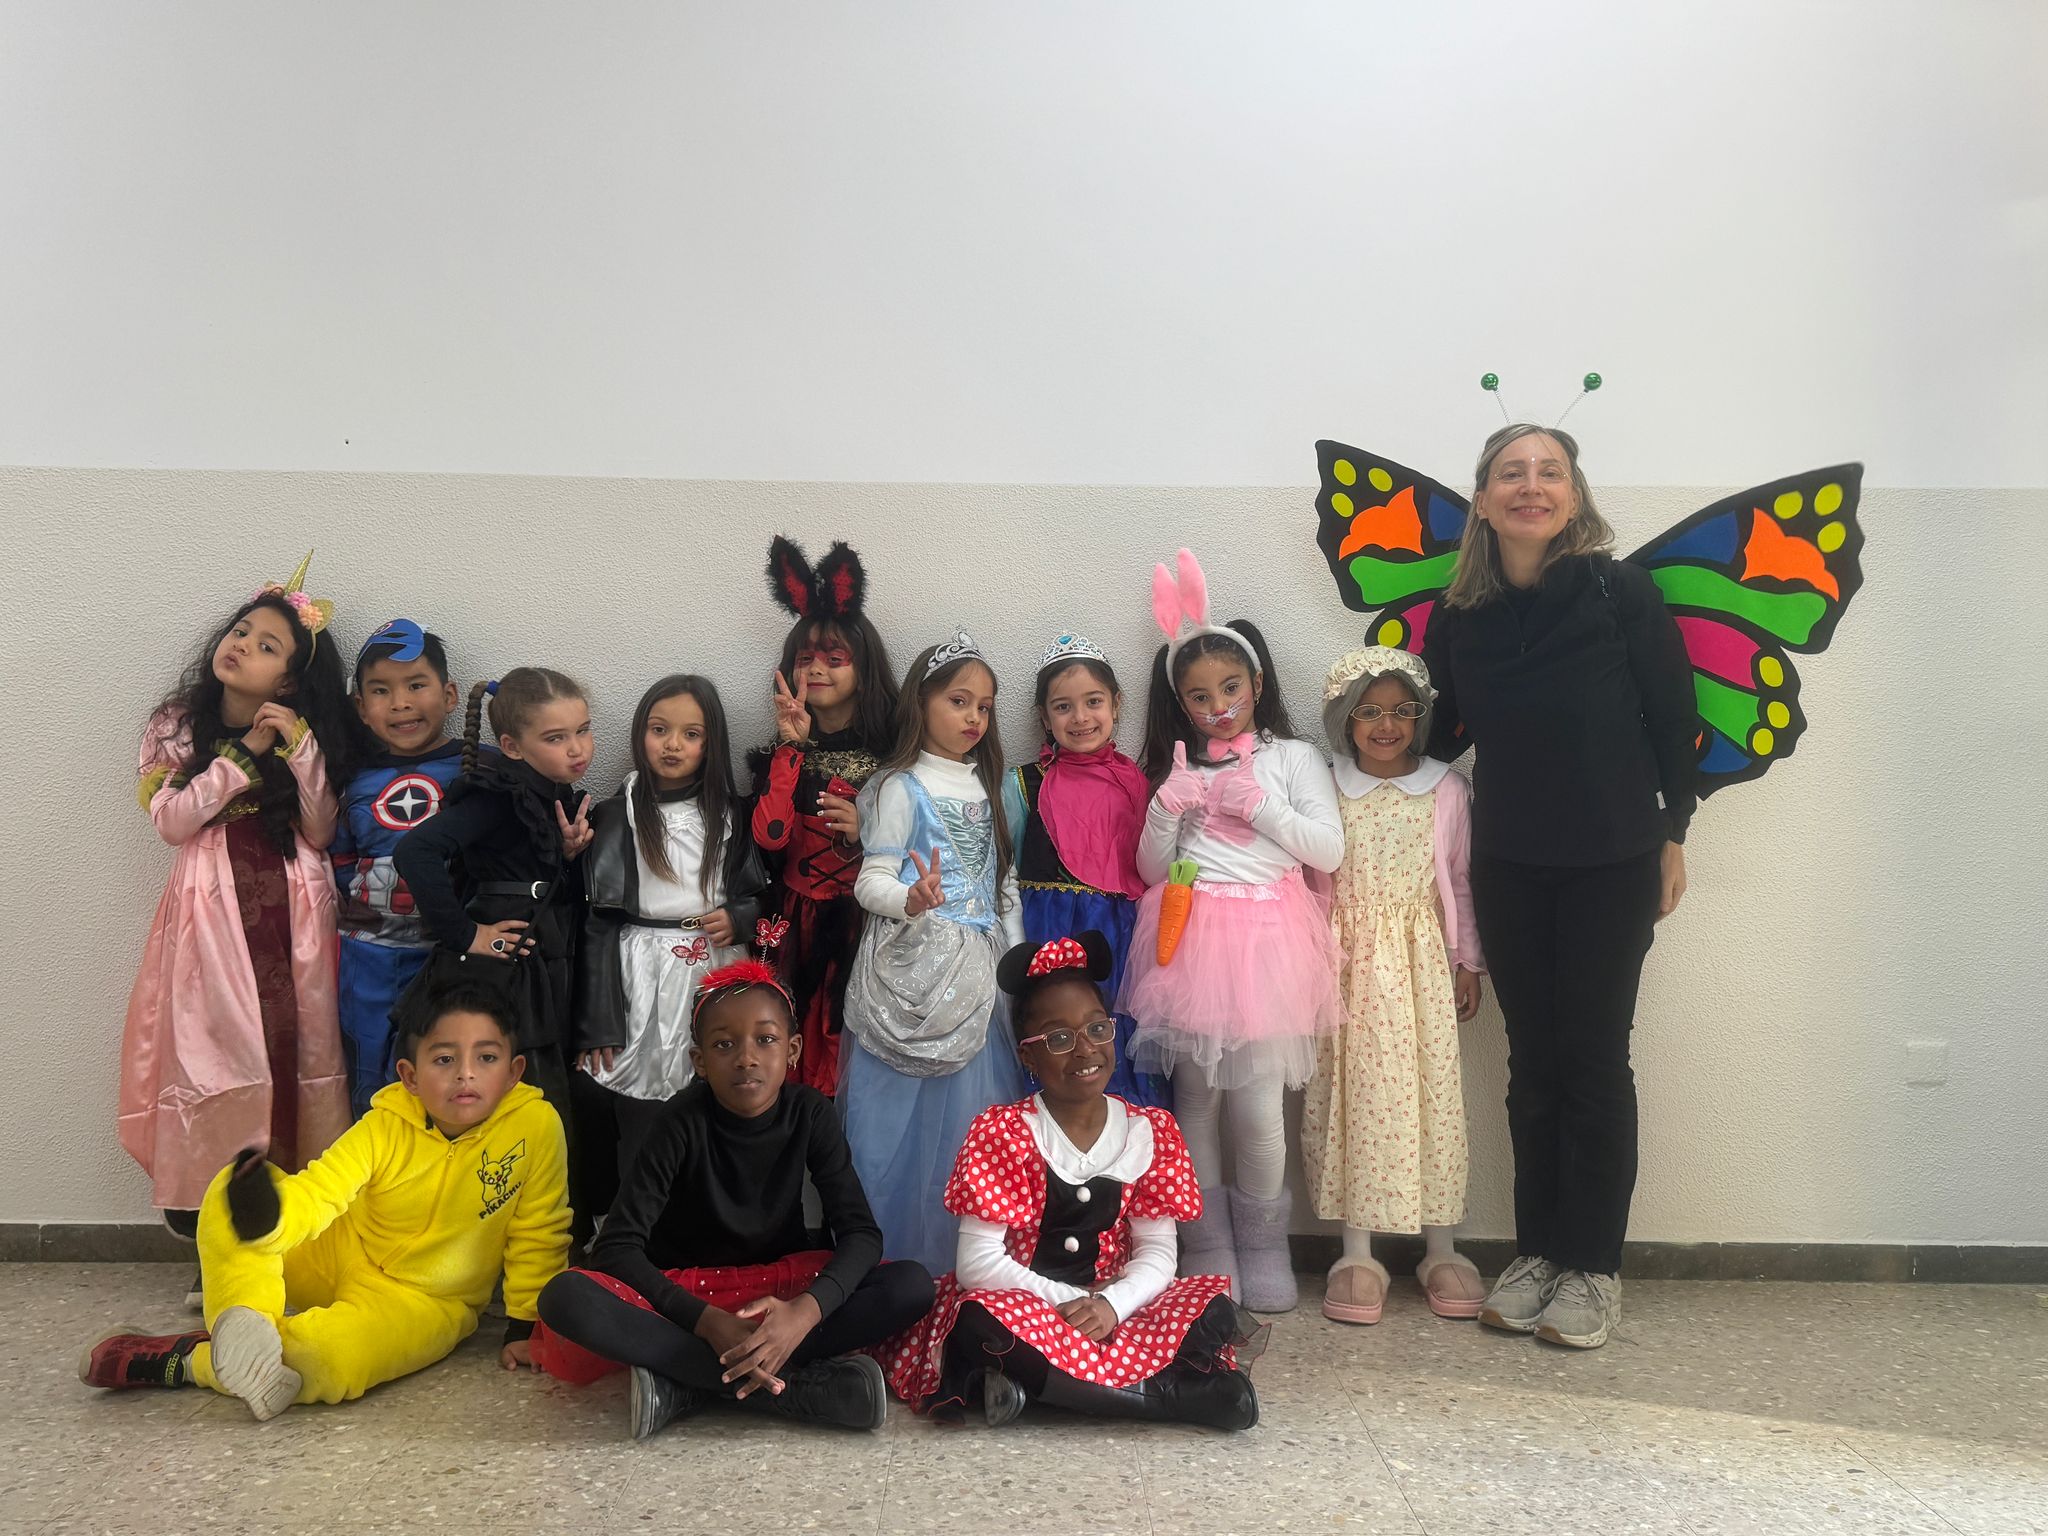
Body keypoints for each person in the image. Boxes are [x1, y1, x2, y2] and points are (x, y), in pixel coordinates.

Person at [1421, 424, 1696, 1350]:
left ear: (1573, 495)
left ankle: (1593, 1267)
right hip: (1507, 864)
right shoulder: (1458, 614)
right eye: (1511, 473)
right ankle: (1537, 1253)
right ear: (1483, 498)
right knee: (1532, 1066)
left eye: (1549, 472)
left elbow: (1675, 721)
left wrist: (1673, 833)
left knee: (1593, 1061)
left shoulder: (1622, 593)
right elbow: (1439, 735)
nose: (1530, 486)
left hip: (1614, 861)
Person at [80, 983, 570, 1417]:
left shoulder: (535, 1127)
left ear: (514, 1072)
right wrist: (267, 1214)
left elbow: (539, 1229)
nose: (466, 1074)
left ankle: (193, 1361)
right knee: (228, 1198)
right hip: (339, 1252)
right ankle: (246, 1320)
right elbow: (320, 1192)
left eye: (486, 1058)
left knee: (323, 1362)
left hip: (426, 1302)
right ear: (410, 1076)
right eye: (444, 1060)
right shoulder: (383, 1125)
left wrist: (526, 1326)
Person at [530, 961, 934, 1437]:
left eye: (765, 1040)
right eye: (724, 1045)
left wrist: (803, 1313)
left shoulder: (810, 1113)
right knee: (564, 1297)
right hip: (687, 1300)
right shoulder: (678, 1121)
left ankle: (688, 1382)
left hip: (778, 1296)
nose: (746, 1058)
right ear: (699, 1061)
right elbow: (615, 1247)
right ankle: (795, 1390)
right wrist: (705, 1322)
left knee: (911, 1284)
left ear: (792, 1050)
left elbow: (861, 1234)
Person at [882, 932, 1262, 1429]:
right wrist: (1069, 1303)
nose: (1084, 1050)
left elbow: (1157, 1253)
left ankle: (1037, 1388)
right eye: (1058, 1039)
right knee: (978, 1321)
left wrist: (1111, 1305)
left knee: (1209, 1309)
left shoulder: (1149, 1132)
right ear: (1028, 1057)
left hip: (1115, 1306)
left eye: (1097, 1029)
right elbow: (977, 1264)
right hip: (1033, 1306)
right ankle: (1166, 1398)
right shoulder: (1005, 1133)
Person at [1119, 549, 1345, 1312]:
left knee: (1257, 1108)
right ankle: (1207, 1247)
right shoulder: (1178, 766)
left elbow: (1328, 850)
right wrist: (1165, 808)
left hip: (1269, 944)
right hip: (1189, 940)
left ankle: (1265, 1244)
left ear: (1256, 684)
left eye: (1230, 688)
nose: (1217, 706)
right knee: (1195, 1102)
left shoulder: (1294, 758)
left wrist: (1263, 808)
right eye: (1198, 695)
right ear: (1180, 704)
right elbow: (1152, 869)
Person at [120, 554, 354, 1266]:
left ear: (288, 679)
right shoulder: (175, 726)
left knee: (299, 1049)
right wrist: (243, 755)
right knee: (210, 1054)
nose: (243, 645)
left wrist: (301, 750)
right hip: (210, 911)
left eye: (267, 644)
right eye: (242, 631)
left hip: (293, 909)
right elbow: (172, 822)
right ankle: (212, 1237)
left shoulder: (303, 731)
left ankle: (287, 1241)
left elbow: (320, 830)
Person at [1300, 647, 1486, 1325]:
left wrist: (1469, 962)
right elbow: (1309, 881)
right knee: (1351, 1099)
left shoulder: (1447, 790)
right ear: (1344, 719)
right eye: (1369, 712)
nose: (1386, 725)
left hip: (1420, 968)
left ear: (1420, 716)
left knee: (1431, 1097)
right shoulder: (1326, 786)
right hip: (1344, 966)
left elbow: (1460, 881)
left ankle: (1442, 1247)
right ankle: (1357, 1252)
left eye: (1402, 710)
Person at [840, 632, 1029, 1275]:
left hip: (980, 975)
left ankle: (967, 1269)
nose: (974, 717)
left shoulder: (993, 787)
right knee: (897, 1125)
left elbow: (1003, 885)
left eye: (985, 706)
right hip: (913, 970)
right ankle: (890, 1269)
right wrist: (911, 900)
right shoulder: (900, 787)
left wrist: (1017, 962)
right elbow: (871, 880)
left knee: (969, 1126)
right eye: (958, 700)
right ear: (920, 703)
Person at [572, 675, 767, 1216]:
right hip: (638, 967)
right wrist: (597, 1021)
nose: (673, 745)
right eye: (660, 730)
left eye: (690, 734)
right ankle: (633, 1223)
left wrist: (740, 918)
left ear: (711, 742)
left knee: (715, 1087)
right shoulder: (617, 814)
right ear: (641, 733)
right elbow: (598, 920)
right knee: (636, 1101)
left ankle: (710, 1217)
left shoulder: (731, 814)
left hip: (713, 968)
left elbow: (759, 895)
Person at [391, 668, 594, 1127]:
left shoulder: (551, 792)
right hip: (503, 972)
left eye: (583, 730)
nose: (577, 749)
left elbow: (520, 868)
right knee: (510, 1088)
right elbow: (415, 851)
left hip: (542, 957)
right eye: (556, 738)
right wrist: (465, 935)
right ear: (512, 747)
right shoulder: (498, 797)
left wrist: (564, 855)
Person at [749, 536, 896, 1096]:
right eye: (804, 659)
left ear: (864, 667)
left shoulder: (893, 756)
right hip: (793, 923)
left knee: (852, 1056)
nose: (816, 670)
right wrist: (792, 747)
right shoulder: (781, 752)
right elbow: (770, 837)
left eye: (834, 659)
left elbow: (923, 842)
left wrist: (868, 830)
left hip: (866, 924)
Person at [1000, 633, 1169, 1109]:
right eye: (1063, 707)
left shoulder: (1137, 782)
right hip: (1049, 939)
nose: (1080, 718)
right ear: (1044, 716)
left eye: (1093, 701)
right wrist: (1017, 946)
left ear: (1116, 704)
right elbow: (1005, 871)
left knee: (1114, 1041)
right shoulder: (1022, 785)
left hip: (1122, 944)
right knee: (1057, 1045)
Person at [333, 619, 465, 1117]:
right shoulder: (350, 779)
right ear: (360, 708)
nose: (401, 703)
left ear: (449, 695)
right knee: (370, 1082)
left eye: (416, 685)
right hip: (367, 960)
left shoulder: (481, 768)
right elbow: (338, 860)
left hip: (451, 958)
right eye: (381, 690)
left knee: (446, 1076)